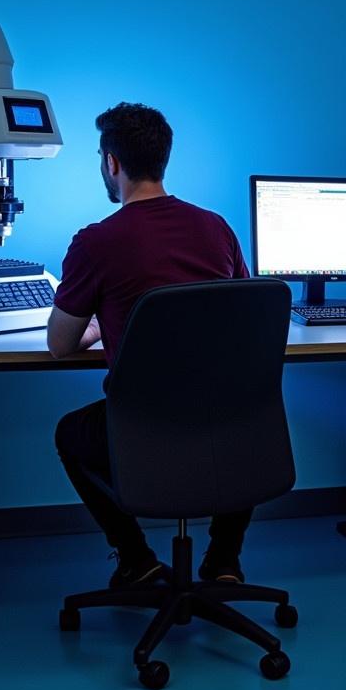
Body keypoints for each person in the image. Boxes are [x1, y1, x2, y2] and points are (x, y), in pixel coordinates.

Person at [48, 102, 252, 588]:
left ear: (112, 163)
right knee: (237, 409)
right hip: (229, 427)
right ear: (163, 158)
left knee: (69, 435)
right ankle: (224, 561)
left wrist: (98, 325)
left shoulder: (96, 241)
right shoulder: (216, 228)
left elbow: (59, 345)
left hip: (144, 431)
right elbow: (242, 316)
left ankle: (137, 560)